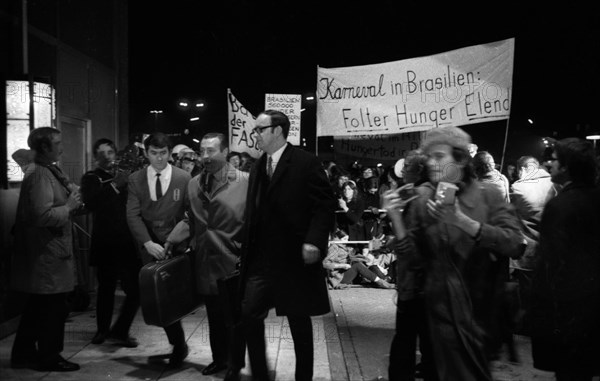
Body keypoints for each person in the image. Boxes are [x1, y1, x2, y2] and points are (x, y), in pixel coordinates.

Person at [382, 126, 523, 380]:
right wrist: (396, 220)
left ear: (459, 159)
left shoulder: (487, 195)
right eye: (428, 157)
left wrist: (462, 221)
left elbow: (514, 243)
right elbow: (413, 259)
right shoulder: (424, 200)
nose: (431, 162)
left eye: (438, 156)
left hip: (479, 319)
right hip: (440, 321)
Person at [233, 110, 335, 381]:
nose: (255, 134)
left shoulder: (305, 162)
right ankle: (260, 374)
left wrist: (314, 241)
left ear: (277, 130)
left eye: (259, 129)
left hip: (293, 260)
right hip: (262, 261)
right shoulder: (257, 165)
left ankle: (304, 377)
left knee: (298, 322)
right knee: (249, 314)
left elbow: (324, 205)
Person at [165, 132, 248, 377]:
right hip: (205, 261)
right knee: (214, 315)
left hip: (234, 261)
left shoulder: (245, 182)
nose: (205, 156)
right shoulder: (194, 183)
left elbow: (257, 221)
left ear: (225, 152)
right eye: (202, 151)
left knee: (234, 320)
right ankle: (219, 359)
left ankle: (235, 365)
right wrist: (172, 238)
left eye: (211, 150)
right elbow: (190, 218)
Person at [10, 127, 83, 372]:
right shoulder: (40, 174)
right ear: (44, 147)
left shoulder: (49, 169)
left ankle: (23, 354)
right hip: (47, 254)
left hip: (50, 253)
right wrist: (70, 207)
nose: (62, 147)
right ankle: (49, 356)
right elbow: (40, 215)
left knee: (38, 308)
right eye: (57, 143)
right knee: (52, 310)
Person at [530, 138, 600, 381]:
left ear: (567, 166)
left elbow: (551, 265)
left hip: (569, 313)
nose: (550, 164)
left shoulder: (561, 206)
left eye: (555, 160)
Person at [126, 132, 191, 368]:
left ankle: (179, 345)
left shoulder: (184, 178)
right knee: (157, 298)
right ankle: (178, 343)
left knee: (173, 297)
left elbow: (189, 212)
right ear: (146, 153)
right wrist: (147, 243)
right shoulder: (136, 179)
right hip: (149, 247)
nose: (159, 158)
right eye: (154, 153)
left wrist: (174, 240)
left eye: (163, 153)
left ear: (170, 153)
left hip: (175, 245)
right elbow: (132, 214)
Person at [80, 138, 142, 348]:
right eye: (101, 153)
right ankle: (102, 330)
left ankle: (121, 329)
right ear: (95, 156)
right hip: (106, 240)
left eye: (110, 152)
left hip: (127, 240)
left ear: (116, 154)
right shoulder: (91, 178)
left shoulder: (126, 175)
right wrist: (115, 185)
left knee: (136, 289)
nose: (106, 157)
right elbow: (91, 203)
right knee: (105, 288)